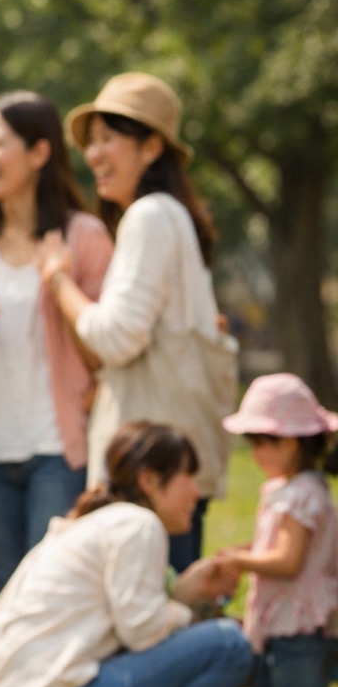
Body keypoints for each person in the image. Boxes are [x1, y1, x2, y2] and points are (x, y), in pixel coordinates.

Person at [38, 72, 229, 572]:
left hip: (153, 469)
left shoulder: (149, 216)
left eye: (108, 138)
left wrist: (59, 280)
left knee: (154, 599)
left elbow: (117, 337)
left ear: (152, 147)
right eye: (91, 142)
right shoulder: (170, 216)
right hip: (171, 461)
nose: (93, 154)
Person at [0, 422, 253, 687]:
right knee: (229, 643)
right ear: (149, 480)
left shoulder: (100, 523)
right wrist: (195, 616)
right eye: (187, 476)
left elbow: (133, 622)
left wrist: (182, 595)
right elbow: (143, 631)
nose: (196, 490)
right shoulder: (138, 523)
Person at [0, 91, 114, 596]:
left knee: (52, 592)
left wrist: (60, 283)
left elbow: (106, 349)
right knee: (6, 596)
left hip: (58, 451)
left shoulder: (84, 237)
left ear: (40, 152)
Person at [216, 373, 338, 687]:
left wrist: (240, 560)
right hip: (279, 622)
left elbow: (288, 561)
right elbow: (275, 546)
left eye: (260, 445)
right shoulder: (286, 490)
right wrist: (244, 551)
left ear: (288, 442)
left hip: (298, 626)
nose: (255, 456)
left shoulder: (302, 495)